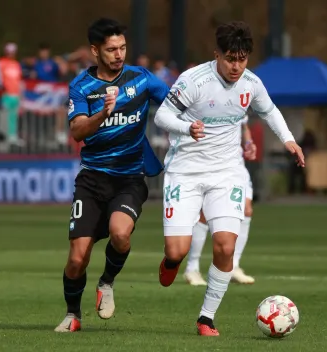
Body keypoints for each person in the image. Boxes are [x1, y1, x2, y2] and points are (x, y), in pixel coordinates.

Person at [154, 21, 304, 336]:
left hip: (227, 173)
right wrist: (186, 127)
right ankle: (172, 262)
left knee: (225, 246)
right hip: (185, 171)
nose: (236, 66)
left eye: (242, 59)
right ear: (216, 54)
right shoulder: (193, 80)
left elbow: (271, 111)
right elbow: (162, 116)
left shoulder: (251, 83)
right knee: (175, 251)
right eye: (230, 59)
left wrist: (288, 140)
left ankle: (206, 318)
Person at [55, 18, 169, 333]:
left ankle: (106, 282)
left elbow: (175, 103)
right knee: (77, 259)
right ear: (95, 51)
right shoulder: (81, 86)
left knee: (121, 234)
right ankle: (72, 315)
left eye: (122, 47)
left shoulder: (141, 79)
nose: (118, 54)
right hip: (92, 179)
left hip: (129, 177)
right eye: (110, 49)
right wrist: (102, 113)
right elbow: (77, 131)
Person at [184, 118, 256, 286]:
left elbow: (244, 125)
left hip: (236, 165)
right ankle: (192, 268)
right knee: (204, 214)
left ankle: (233, 266)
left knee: (246, 210)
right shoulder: (204, 95)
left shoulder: (240, 94)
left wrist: (249, 142)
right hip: (210, 163)